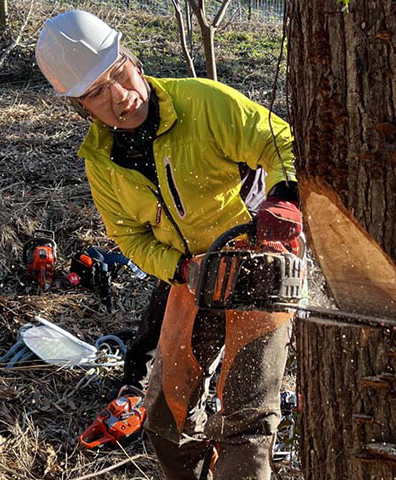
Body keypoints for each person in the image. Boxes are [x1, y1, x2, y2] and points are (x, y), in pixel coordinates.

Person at [35, 10, 303, 480]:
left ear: (131, 60)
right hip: (191, 272)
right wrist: (180, 269)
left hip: (259, 260)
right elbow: (128, 236)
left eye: (120, 74)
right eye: (98, 93)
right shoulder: (101, 162)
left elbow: (280, 139)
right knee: (164, 418)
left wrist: (284, 198)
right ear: (81, 106)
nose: (121, 96)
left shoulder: (201, 102)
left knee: (246, 417)